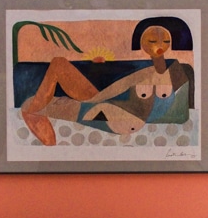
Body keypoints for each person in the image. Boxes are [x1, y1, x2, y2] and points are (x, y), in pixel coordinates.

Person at [20, 25, 191, 146]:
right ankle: (38, 112)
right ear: (144, 45)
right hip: (112, 108)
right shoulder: (167, 73)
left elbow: (126, 91)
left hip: (113, 114)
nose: (159, 46)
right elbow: (121, 88)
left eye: (163, 41)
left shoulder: (162, 73)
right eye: (153, 41)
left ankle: (41, 122)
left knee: (30, 104)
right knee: (57, 67)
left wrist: (92, 101)